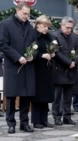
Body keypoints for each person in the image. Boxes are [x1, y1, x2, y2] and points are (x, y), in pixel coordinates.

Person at [0, 2, 36, 133]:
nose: (27, 16)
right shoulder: (5, 24)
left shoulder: (30, 27)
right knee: (11, 96)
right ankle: (11, 123)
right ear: (17, 10)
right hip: (13, 66)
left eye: (28, 14)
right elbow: (3, 45)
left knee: (26, 96)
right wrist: (17, 57)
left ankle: (24, 123)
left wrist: (33, 55)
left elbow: (35, 44)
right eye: (24, 13)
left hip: (28, 67)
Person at [52, 16, 78, 126]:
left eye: (71, 28)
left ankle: (67, 116)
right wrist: (69, 62)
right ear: (61, 25)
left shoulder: (74, 37)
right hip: (59, 70)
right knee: (57, 97)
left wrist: (75, 61)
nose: (69, 30)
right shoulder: (54, 36)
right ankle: (57, 116)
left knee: (68, 96)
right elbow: (56, 52)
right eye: (67, 27)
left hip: (71, 71)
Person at [31, 15, 55, 129]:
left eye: (48, 26)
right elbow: (30, 52)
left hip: (47, 70)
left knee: (46, 96)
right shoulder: (34, 35)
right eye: (44, 26)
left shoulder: (49, 36)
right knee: (38, 96)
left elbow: (53, 48)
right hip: (37, 69)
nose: (46, 28)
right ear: (38, 25)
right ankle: (36, 121)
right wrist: (41, 55)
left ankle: (44, 120)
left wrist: (53, 53)